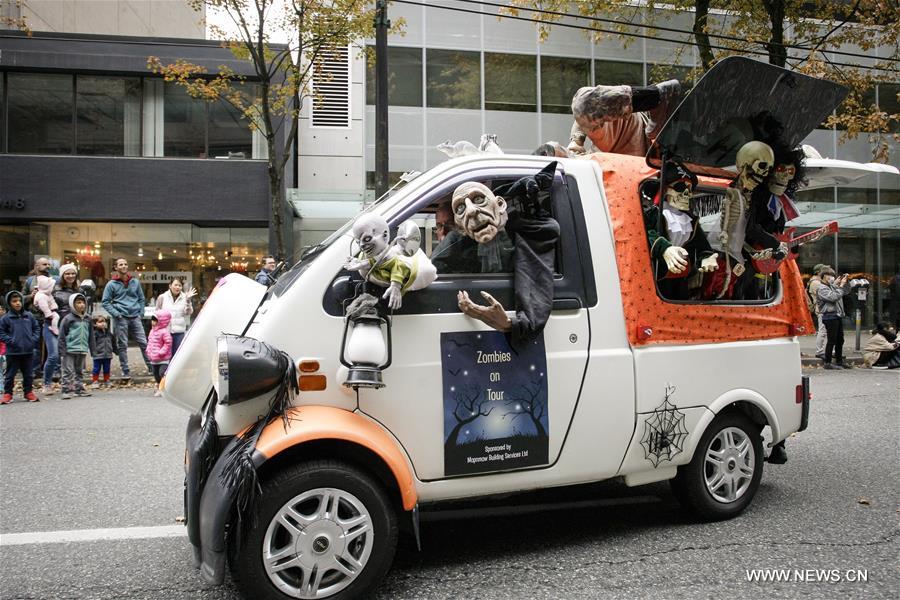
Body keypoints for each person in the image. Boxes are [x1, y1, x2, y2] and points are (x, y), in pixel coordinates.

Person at [568, 80, 681, 157]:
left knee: (583, 104)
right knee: (583, 106)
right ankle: (656, 97)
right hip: (644, 156)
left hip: (626, 136)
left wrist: (576, 141)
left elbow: (584, 112)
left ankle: (656, 97)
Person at [101, 257, 150, 381]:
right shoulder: (111, 284)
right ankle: (125, 371)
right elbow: (105, 302)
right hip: (121, 318)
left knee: (144, 343)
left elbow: (141, 298)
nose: (123, 266)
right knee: (122, 345)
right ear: (116, 268)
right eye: (121, 264)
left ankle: (151, 368)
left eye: (125, 264)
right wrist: (117, 314)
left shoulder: (135, 282)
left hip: (135, 316)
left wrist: (141, 312)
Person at [0, 291, 41, 404]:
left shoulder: (29, 316)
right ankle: (8, 393)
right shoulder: (6, 318)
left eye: (19, 301)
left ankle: (28, 392)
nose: (18, 303)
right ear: (9, 303)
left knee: (28, 373)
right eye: (14, 301)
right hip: (13, 352)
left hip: (28, 351)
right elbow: (1, 332)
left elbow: (36, 328)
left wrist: (33, 340)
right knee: (10, 374)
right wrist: (10, 341)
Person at [22, 256, 53, 380]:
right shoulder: (30, 281)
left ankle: (47, 369)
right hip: (34, 316)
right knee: (35, 345)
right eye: (44, 264)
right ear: (37, 266)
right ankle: (35, 370)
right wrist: (31, 296)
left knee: (49, 345)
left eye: (48, 264)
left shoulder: (52, 280)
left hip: (49, 316)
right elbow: (21, 298)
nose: (47, 266)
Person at [816, 267, 851, 370]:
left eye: (832, 275)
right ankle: (827, 362)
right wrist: (840, 286)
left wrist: (845, 282)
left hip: (837, 315)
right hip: (829, 316)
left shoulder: (831, 286)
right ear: (823, 276)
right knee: (832, 340)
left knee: (840, 340)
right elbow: (833, 297)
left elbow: (845, 292)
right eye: (829, 275)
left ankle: (839, 361)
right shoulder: (822, 288)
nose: (831, 277)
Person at [58, 293, 91, 400]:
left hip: (82, 349)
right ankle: (65, 389)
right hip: (69, 349)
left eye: (83, 302)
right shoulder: (68, 319)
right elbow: (62, 335)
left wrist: (93, 350)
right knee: (68, 371)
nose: (81, 305)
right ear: (72, 304)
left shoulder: (87, 318)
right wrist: (62, 349)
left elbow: (91, 336)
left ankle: (79, 389)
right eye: (78, 302)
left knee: (79, 371)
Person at [34, 275, 60, 395]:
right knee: (53, 355)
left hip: (67, 323)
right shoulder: (42, 295)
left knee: (71, 354)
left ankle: (73, 382)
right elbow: (43, 308)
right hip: (49, 323)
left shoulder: (51, 293)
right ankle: (47, 383)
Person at [155, 278, 196, 357]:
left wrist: (188, 300)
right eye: (175, 285)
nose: (178, 287)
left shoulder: (185, 297)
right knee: (165, 356)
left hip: (179, 332)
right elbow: (157, 314)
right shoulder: (162, 297)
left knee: (177, 356)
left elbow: (188, 312)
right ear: (170, 286)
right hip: (165, 332)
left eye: (180, 285)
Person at [145, 310, 172, 397]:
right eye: (152, 320)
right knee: (156, 374)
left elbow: (168, 343)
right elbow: (150, 342)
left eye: (155, 320)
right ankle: (160, 387)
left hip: (163, 358)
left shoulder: (164, 332)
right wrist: (148, 350)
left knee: (162, 373)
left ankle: (162, 389)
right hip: (153, 358)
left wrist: (162, 351)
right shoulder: (152, 331)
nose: (153, 322)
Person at [89, 315, 117, 389]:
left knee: (107, 368)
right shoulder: (95, 333)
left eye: (104, 322)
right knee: (96, 368)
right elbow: (92, 343)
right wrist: (93, 352)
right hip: (98, 354)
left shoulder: (109, 333)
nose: (103, 324)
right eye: (100, 322)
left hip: (107, 354)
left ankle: (107, 380)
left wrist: (116, 351)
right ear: (95, 324)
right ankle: (95, 381)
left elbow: (113, 343)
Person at [807, 264, 829, 359]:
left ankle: (825, 350)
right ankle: (819, 351)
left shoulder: (818, 282)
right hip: (821, 309)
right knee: (822, 330)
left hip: (823, 308)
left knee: (825, 330)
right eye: (824, 271)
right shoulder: (816, 283)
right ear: (818, 272)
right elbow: (827, 294)